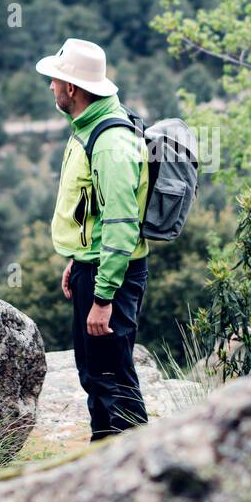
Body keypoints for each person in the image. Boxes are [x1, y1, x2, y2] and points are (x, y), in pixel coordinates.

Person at [36, 38, 150, 440]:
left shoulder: (110, 144)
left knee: (111, 377)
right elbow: (96, 212)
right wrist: (78, 258)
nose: (50, 86)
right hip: (95, 266)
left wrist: (103, 298)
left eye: (55, 80)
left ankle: (136, 466)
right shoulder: (91, 126)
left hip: (110, 276)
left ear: (72, 88)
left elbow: (121, 224)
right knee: (95, 374)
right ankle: (105, 460)